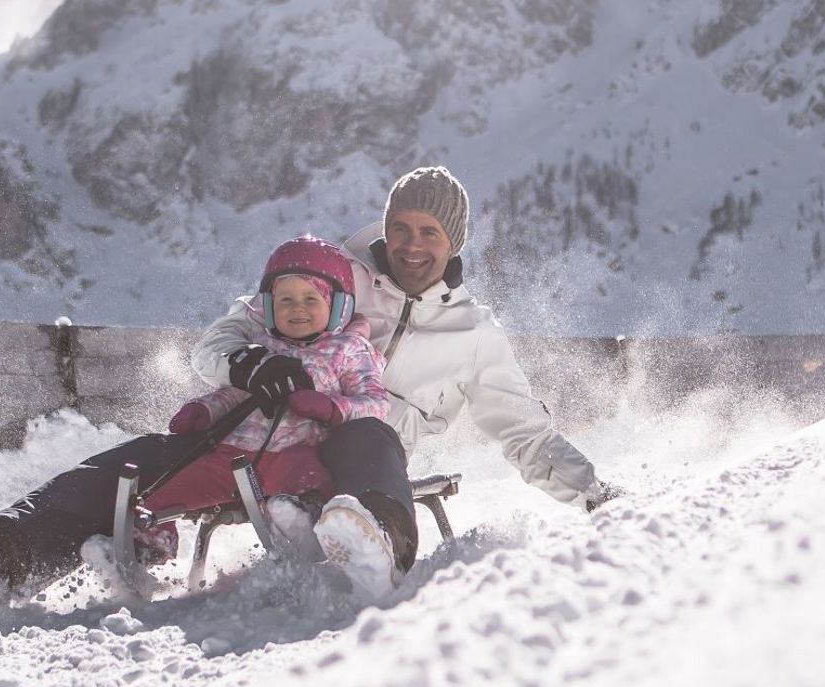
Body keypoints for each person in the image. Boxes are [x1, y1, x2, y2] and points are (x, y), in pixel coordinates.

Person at [190, 166, 617, 600]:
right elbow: (220, 340)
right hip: (272, 443)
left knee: (366, 434)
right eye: (400, 228)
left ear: (453, 242)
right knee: (190, 441)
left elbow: (525, 432)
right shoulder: (335, 276)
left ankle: (381, 547)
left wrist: (595, 495)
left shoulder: (474, 334)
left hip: (367, 467)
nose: (412, 245)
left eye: (430, 232)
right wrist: (251, 364)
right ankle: (148, 531)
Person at [0, 236, 392, 607]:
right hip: (232, 450)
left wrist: (333, 409)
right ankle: (45, 560)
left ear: (339, 307)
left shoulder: (352, 348)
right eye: (285, 300)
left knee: (303, 480)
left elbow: (374, 400)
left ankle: (320, 533)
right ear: (267, 305)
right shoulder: (261, 338)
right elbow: (222, 371)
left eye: (311, 299)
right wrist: (213, 400)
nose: (297, 309)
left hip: (323, 453)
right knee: (151, 482)